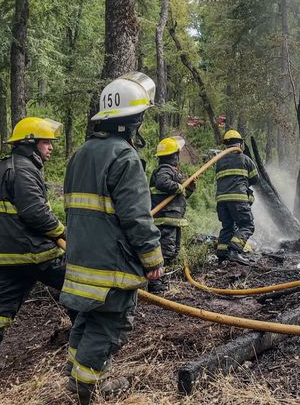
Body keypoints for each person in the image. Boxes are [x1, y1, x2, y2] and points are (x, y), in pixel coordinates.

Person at [60, 72, 163, 404]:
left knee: (87, 319)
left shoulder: (80, 154)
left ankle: (74, 374)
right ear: (134, 120)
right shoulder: (124, 156)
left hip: (81, 262)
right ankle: (87, 387)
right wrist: (152, 259)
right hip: (110, 265)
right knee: (108, 326)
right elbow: (136, 216)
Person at [0, 117, 70, 381]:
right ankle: (86, 335)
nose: (50, 147)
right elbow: (35, 212)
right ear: (30, 143)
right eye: (46, 141)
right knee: (76, 283)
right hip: (31, 252)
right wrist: (63, 233)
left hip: (3, 255)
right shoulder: (25, 169)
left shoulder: (3, 167)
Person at [148, 136, 196, 293]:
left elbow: (178, 197)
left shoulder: (171, 172)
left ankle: (159, 278)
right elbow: (163, 184)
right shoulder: (164, 170)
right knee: (165, 251)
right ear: (174, 156)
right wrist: (179, 187)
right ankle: (154, 282)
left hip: (173, 219)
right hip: (165, 220)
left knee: (172, 252)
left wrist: (188, 188)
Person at [214, 129, 259, 265]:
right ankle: (234, 251)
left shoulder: (219, 162)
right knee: (247, 225)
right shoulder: (245, 159)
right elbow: (255, 179)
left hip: (221, 201)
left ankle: (222, 255)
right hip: (238, 199)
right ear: (240, 144)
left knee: (227, 227)